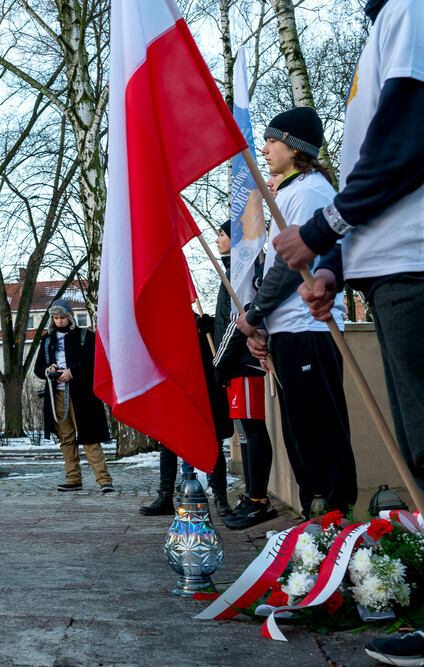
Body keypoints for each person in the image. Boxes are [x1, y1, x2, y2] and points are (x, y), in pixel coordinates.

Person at [266, 2, 424, 662]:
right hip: (386, 271)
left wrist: (324, 233)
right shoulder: (386, 24)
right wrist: (335, 264)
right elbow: (374, 167)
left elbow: (405, 139)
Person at [236, 106, 357, 517]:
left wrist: (254, 316)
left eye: (272, 140)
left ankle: (336, 522)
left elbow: (293, 265)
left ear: (294, 145)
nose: (265, 149)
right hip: (289, 331)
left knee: (318, 432)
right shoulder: (288, 192)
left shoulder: (308, 191)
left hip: (309, 329)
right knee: (299, 433)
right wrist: (265, 325)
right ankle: (316, 519)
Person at [212, 221, 278, 530]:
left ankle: (258, 500)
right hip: (235, 362)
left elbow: (239, 320)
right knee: (246, 431)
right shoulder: (233, 268)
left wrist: (219, 363)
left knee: (253, 429)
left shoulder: (243, 267)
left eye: (222, 234)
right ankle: (253, 497)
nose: (216, 239)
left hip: (242, 361)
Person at [140, 314, 232, 516]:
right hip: (174, 390)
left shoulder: (201, 324)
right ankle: (165, 496)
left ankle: (220, 497)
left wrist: (209, 329)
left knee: (213, 442)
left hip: (204, 391)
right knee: (168, 445)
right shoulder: (162, 327)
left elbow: (215, 351)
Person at [32, 299, 114, 494]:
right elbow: (38, 368)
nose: (59, 321)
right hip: (57, 396)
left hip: (82, 396)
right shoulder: (47, 339)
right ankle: (73, 479)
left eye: (62, 317)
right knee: (66, 439)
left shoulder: (86, 336)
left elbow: (94, 361)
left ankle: (104, 480)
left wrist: (72, 372)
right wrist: (48, 369)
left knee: (89, 438)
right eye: (56, 318)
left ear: (70, 317)